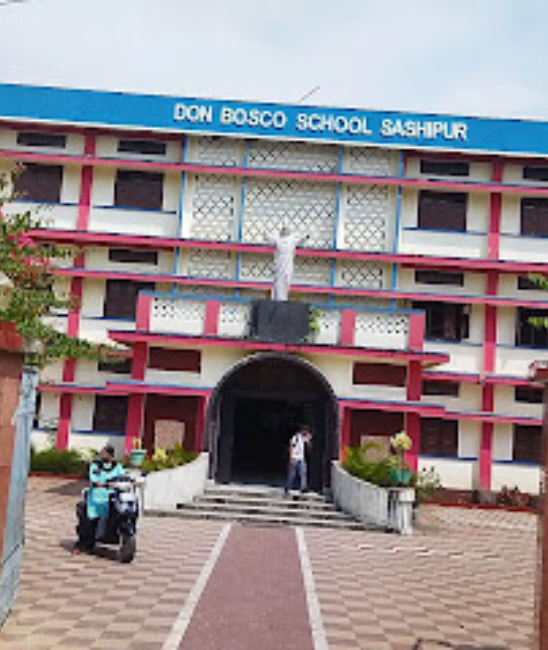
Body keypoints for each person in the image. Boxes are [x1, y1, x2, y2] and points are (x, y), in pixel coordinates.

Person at [73, 443, 125, 554]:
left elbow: (122, 478)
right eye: (102, 453)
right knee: (89, 522)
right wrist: (103, 484)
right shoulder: (95, 466)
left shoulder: (117, 467)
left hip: (111, 497)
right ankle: (83, 545)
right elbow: (94, 479)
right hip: (96, 499)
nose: (102, 455)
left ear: (111, 455)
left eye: (105, 453)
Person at [285, 425, 312, 494]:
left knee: (303, 473)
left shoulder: (304, 438)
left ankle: (303, 487)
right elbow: (291, 447)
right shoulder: (295, 437)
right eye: (305, 431)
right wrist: (291, 457)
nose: (306, 432)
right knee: (292, 474)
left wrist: (309, 440)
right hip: (294, 457)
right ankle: (288, 487)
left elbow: (309, 447)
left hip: (301, 458)